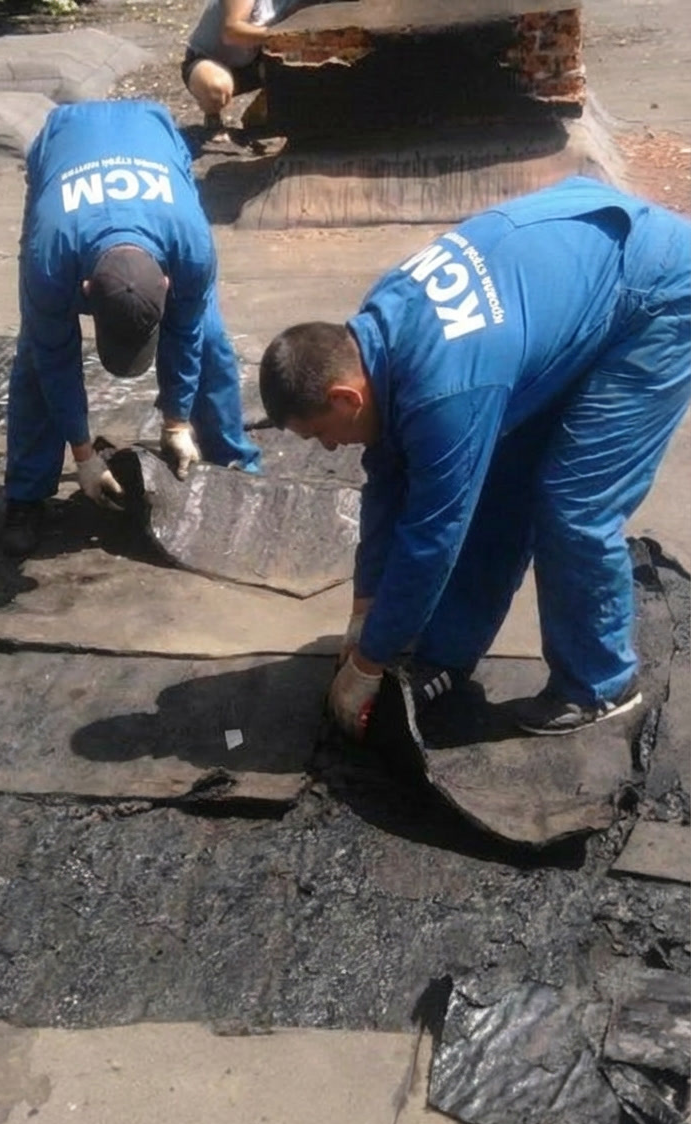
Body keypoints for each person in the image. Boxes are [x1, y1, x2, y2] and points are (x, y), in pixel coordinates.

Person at [258, 176, 691, 738]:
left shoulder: (446, 395)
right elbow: (387, 482)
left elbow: (431, 539)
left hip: (655, 293)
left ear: (346, 397)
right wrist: (366, 610)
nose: (329, 447)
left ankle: (601, 683)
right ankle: (445, 654)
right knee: (500, 485)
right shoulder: (374, 333)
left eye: (321, 433)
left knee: (573, 505)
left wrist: (368, 663)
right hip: (574, 268)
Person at [1, 99, 261, 558]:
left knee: (209, 337)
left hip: (152, 131)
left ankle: (232, 462)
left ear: (167, 283)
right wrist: (83, 455)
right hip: (63, 143)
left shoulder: (191, 247)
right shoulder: (51, 258)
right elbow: (55, 357)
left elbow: (186, 332)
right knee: (35, 356)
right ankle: (26, 496)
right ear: (84, 290)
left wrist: (176, 421)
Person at [182, 0, 301, 134]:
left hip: (257, 58)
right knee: (216, 88)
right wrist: (283, 37)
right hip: (211, 59)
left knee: (308, 57)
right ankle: (213, 120)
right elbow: (232, 32)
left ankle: (268, 109)